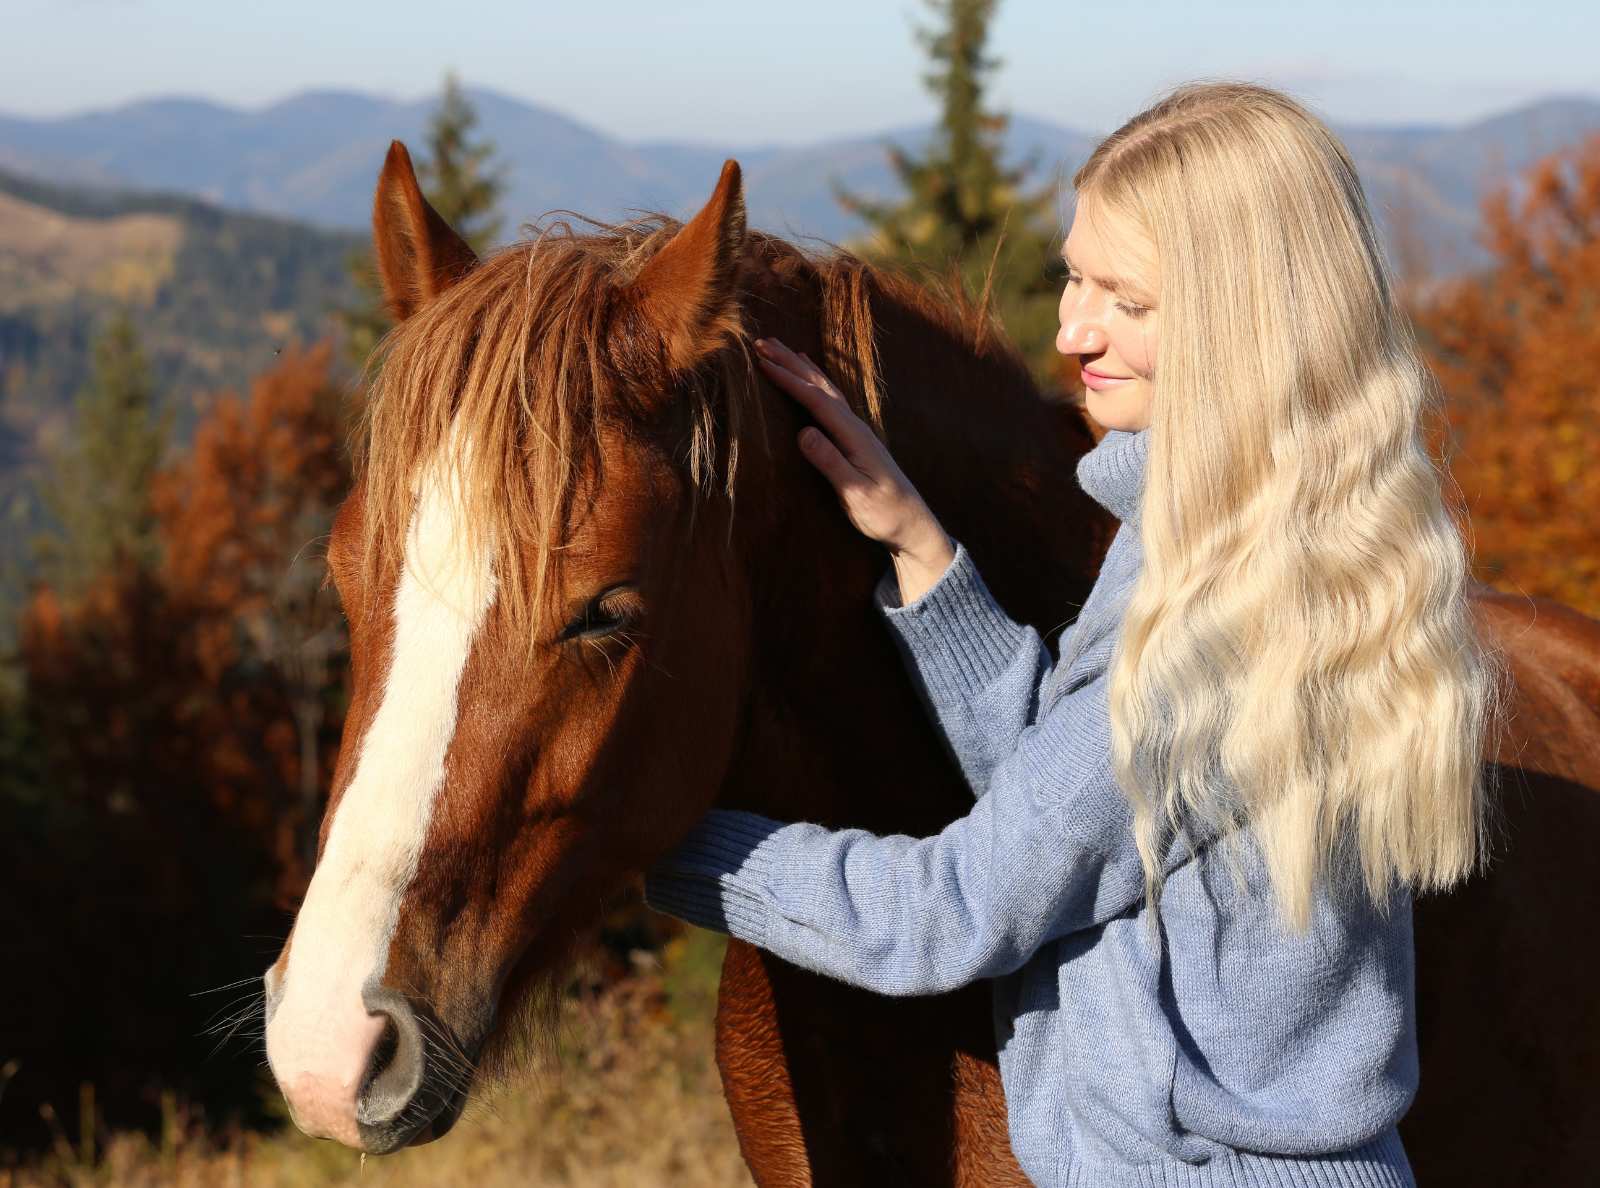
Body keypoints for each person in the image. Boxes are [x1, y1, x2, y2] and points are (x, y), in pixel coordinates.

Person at [643, 81, 1504, 1187]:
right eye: (1074, 276)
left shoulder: (1222, 614)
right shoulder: (1278, 540)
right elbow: (1094, 810)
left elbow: (950, 913)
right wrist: (925, 556)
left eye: (1126, 301)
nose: (1070, 331)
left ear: (1246, 320)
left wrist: (661, 836)